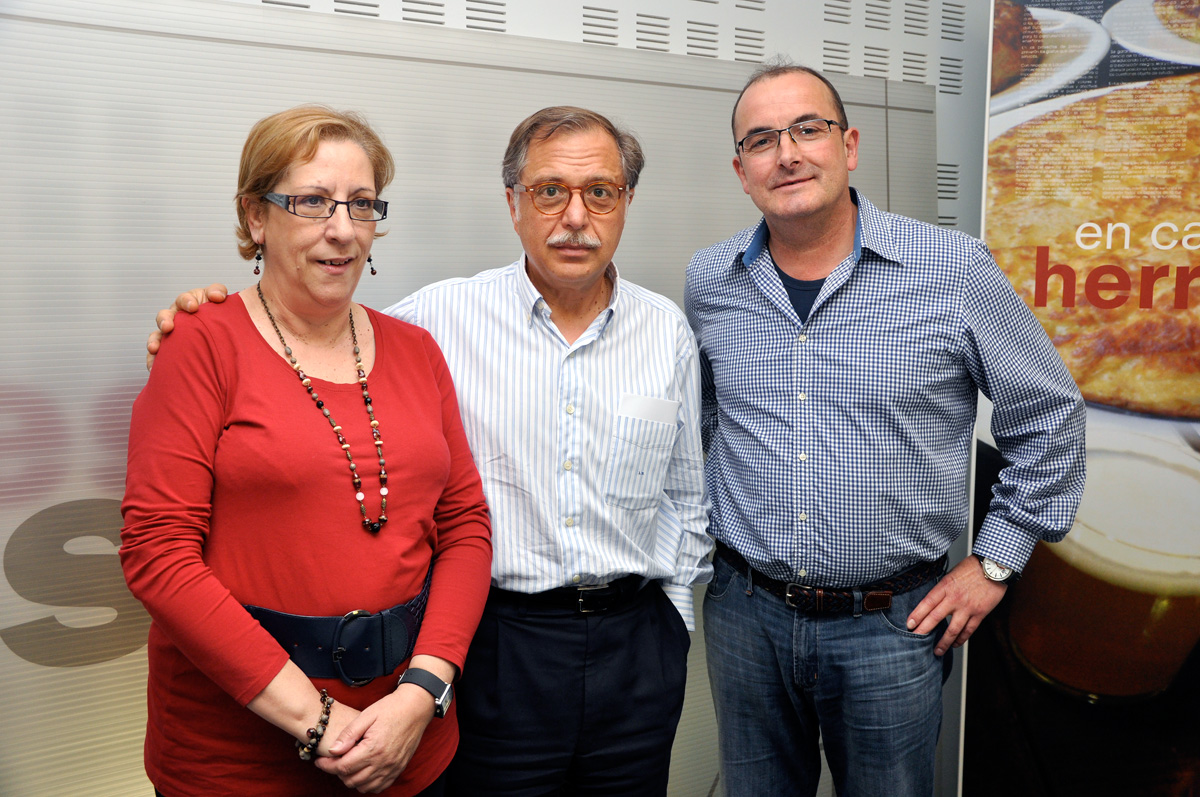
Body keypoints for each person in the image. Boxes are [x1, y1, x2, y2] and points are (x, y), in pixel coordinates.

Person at [147, 106, 712, 796]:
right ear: (514, 203)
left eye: (600, 191)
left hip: (618, 653)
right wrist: (195, 323)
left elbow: (681, 497)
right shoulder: (438, 320)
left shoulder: (662, 331)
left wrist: (673, 627)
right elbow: (162, 547)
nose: (575, 216)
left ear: (626, 202)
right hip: (493, 647)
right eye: (548, 191)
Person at [684, 64, 1087, 796]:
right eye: (762, 140)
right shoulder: (711, 280)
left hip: (893, 626)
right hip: (745, 616)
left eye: (808, 129)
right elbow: (709, 422)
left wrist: (994, 563)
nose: (788, 153)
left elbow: (1049, 415)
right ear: (741, 170)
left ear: (849, 145)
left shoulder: (951, 269)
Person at [121, 105, 492, 797]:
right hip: (237, 760)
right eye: (313, 201)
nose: (343, 228)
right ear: (255, 216)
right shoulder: (200, 345)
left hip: (410, 742)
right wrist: (319, 722)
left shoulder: (417, 350)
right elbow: (157, 552)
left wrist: (423, 692)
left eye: (361, 203)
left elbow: (465, 524)